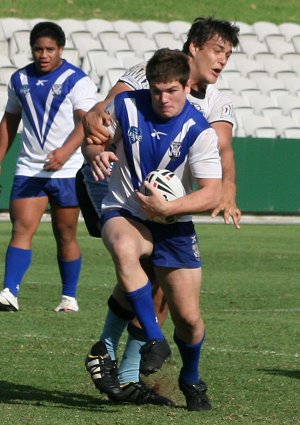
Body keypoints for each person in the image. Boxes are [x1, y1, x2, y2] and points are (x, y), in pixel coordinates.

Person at [80, 17, 241, 405]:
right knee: (133, 258)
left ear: (184, 88)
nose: (223, 61)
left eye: (228, 55)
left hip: (169, 208)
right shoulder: (145, 76)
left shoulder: (215, 104)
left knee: (166, 293)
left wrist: (227, 192)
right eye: (218, 51)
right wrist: (95, 147)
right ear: (195, 48)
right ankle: (107, 349)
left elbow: (222, 151)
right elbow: (96, 120)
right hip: (118, 192)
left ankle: (129, 369)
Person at [0, 21, 97, 312]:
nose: (43, 54)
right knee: (21, 228)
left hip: (67, 171)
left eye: (49, 49)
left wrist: (65, 153)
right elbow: (9, 122)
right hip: (30, 168)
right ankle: (9, 292)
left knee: (65, 233)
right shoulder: (19, 80)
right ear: (31, 50)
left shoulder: (77, 80)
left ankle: (69, 298)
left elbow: (86, 121)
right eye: (38, 49)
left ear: (61, 49)